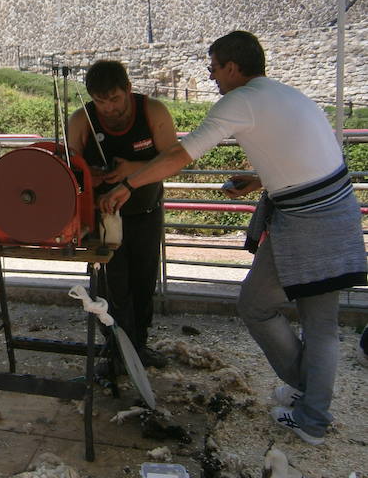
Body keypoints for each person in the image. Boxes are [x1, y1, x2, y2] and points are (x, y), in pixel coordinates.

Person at [98, 31, 367, 445]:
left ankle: (312, 412)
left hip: (307, 219)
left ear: (233, 67)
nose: (212, 77)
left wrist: (130, 184)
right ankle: (311, 399)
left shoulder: (240, 100)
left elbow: (180, 154)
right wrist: (261, 179)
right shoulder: (285, 94)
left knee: (263, 309)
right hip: (335, 210)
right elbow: (310, 154)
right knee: (321, 325)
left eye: (213, 68)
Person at [67, 60, 178, 371]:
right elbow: (71, 171)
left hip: (146, 211)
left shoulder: (152, 112)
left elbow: (173, 157)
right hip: (104, 219)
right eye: (100, 101)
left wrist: (134, 171)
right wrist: (92, 176)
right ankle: (115, 348)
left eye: (114, 99)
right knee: (112, 286)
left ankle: (138, 348)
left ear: (129, 89)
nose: (109, 109)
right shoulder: (81, 120)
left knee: (144, 283)